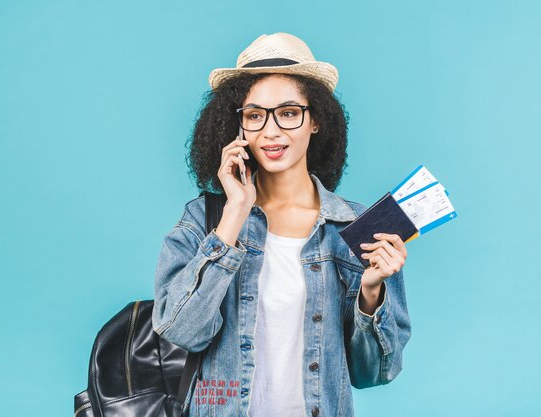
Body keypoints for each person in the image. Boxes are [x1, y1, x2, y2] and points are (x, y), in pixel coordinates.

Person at [152, 33, 411, 417]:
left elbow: (375, 372)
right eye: (255, 115)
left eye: (289, 112)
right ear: (237, 127)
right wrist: (235, 212)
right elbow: (182, 332)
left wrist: (371, 293)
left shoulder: (356, 227)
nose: (271, 131)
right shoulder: (202, 221)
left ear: (316, 120)